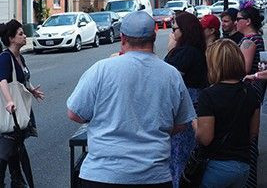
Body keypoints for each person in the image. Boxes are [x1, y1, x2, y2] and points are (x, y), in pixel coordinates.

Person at [67, 11, 196, 188]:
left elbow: (75, 113)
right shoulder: (171, 74)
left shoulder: (101, 69)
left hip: (103, 174)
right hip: (154, 175)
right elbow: (182, 123)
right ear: (155, 34)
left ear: (122, 38)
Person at [194, 39, 260, 187]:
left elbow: (205, 138)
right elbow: (253, 132)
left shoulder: (208, 95)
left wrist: (194, 123)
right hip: (243, 165)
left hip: (216, 165)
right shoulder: (250, 91)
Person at [164, 12, 207, 187]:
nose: (172, 32)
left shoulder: (185, 52)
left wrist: (170, 50)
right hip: (192, 104)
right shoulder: (194, 50)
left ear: (184, 31)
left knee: (179, 155)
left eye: (175, 29)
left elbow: (167, 78)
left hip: (186, 106)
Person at [0, 20, 44, 188]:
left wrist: (32, 90)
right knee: (10, 144)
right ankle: (17, 180)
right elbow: (2, 80)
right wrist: (9, 100)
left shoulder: (20, 57)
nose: (25, 36)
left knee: (15, 146)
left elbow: (23, 79)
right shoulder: (5, 58)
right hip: (11, 111)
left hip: (20, 110)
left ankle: (17, 180)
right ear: (11, 38)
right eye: (20, 33)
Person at [236, 1, 265, 188]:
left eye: (239, 19)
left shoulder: (249, 40)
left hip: (248, 90)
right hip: (255, 91)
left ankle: (249, 181)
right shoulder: (257, 39)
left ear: (247, 21)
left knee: (248, 135)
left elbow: (243, 68)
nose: (236, 22)